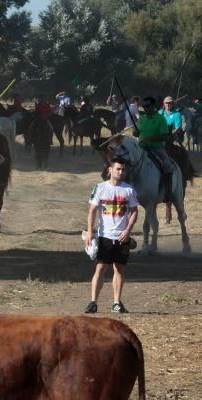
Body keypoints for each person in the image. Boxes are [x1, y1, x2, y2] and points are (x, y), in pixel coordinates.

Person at [83, 157, 139, 314]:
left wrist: (128, 230)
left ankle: (117, 302)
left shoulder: (129, 190)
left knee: (119, 269)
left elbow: (134, 211)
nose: (121, 172)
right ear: (110, 170)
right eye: (118, 169)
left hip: (122, 236)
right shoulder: (100, 188)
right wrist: (89, 231)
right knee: (100, 268)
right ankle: (93, 302)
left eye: (123, 170)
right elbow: (92, 211)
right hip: (104, 235)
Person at [135, 96, 174, 181]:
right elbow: (137, 132)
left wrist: (150, 140)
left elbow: (164, 136)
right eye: (143, 106)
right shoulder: (141, 118)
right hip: (141, 146)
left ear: (153, 106)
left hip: (156, 148)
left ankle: (168, 189)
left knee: (167, 164)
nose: (145, 108)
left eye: (147, 106)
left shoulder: (161, 119)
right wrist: (135, 133)